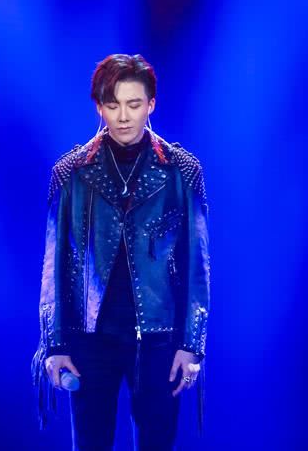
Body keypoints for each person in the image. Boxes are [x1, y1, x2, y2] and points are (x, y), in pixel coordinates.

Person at [31, 54, 211, 450]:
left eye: (134, 104)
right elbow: (53, 263)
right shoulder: (71, 172)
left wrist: (192, 344)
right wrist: (54, 344)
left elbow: (197, 265)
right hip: (89, 337)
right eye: (113, 105)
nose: (124, 116)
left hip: (160, 337)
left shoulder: (182, 170)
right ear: (99, 106)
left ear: (151, 104)